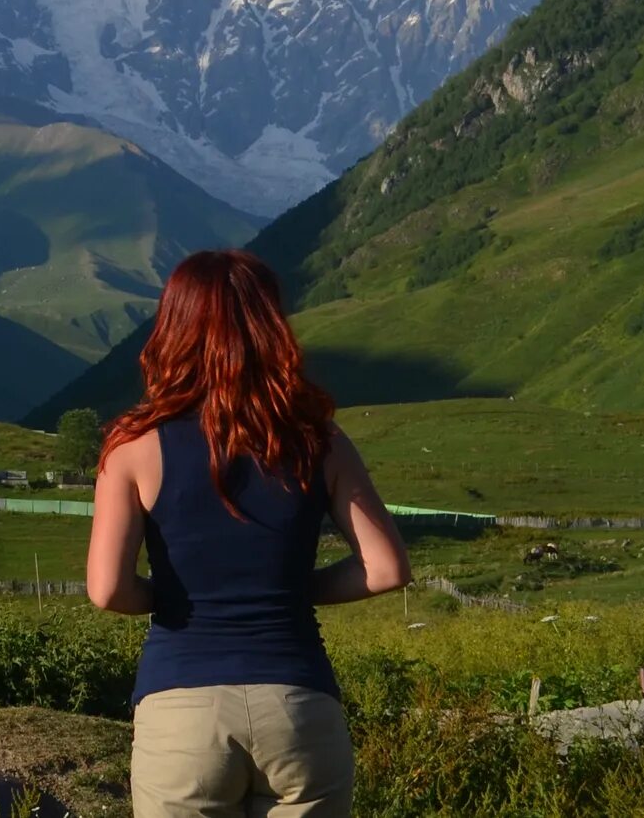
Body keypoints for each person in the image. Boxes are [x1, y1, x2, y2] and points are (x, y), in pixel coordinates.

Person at [83, 249, 410, 818]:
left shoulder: (133, 448)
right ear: (270, 326)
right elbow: (385, 570)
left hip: (182, 711)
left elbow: (107, 590)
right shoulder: (320, 441)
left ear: (173, 327)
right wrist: (286, 591)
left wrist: (170, 598)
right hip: (300, 705)